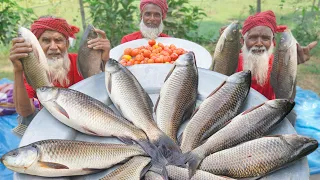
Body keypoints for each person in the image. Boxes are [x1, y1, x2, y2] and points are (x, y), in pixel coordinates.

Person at [9, 16, 111, 136]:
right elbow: (25, 112)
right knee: (25, 121)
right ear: (36, 46)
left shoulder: (81, 61)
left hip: (88, 117)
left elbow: (104, 89)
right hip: (51, 122)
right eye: (46, 40)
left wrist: (105, 60)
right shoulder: (32, 69)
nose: (53, 47)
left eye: (58, 40)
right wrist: (18, 71)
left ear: (67, 44)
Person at [234, 10, 317, 100]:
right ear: (243, 41)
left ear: (273, 42)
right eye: (253, 38)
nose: (259, 43)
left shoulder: (277, 63)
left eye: (265, 38)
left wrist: (291, 64)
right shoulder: (233, 61)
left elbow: (287, 95)